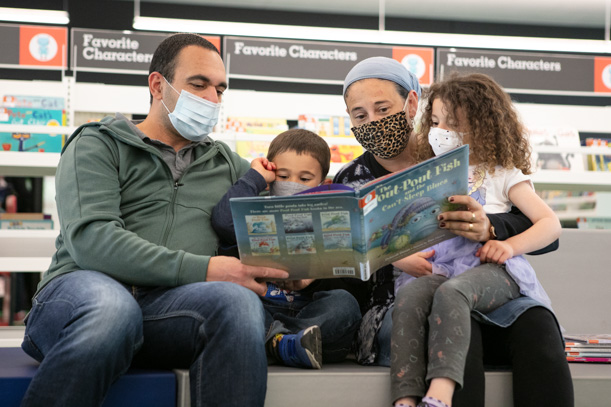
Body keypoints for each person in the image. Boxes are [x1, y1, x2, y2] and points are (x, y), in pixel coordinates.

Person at [19, 33, 292, 407]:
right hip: (79, 299)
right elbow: (93, 241)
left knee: (237, 304)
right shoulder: (97, 144)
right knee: (113, 308)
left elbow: (276, 228)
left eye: (220, 89)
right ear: (157, 85)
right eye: (198, 85)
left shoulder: (229, 166)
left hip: (169, 312)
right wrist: (207, 269)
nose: (212, 99)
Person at [325, 56, 572, 406]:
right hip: (417, 293)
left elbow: (541, 226)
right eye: (360, 115)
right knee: (452, 319)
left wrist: (491, 229)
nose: (374, 122)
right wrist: (387, 255)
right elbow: (348, 258)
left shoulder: (461, 166)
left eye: (383, 108)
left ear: (412, 104)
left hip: (478, 278)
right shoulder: (352, 179)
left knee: (536, 325)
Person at [390, 73, 562, 407]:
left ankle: (440, 395)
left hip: (491, 267)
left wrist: (509, 245)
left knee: (454, 292)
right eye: (436, 122)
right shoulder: (427, 173)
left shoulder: (502, 171)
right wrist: (400, 256)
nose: (440, 132)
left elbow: (550, 224)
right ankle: (405, 398)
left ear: (484, 127)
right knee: (410, 299)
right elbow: (402, 231)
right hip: (439, 267)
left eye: (453, 125)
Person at [211, 128, 361, 369]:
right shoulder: (256, 211)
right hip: (262, 306)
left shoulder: (331, 220)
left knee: (344, 304)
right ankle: (283, 342)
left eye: (304, 179)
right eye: (282, 175)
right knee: (240, 306)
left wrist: (314, 277)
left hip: (310, 314)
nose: (292, 184)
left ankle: (278, 342)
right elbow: (223, 221)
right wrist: (254, 177)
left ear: (323, 183)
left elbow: (350, 282)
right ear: (271, 173)